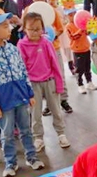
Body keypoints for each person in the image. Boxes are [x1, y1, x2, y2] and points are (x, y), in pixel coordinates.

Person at [0, 10, 45, 177]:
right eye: (5, 26)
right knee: (7, 134)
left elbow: (22, 71)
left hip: (21, 96)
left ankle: (32, 157)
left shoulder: (13, 49)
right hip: (3, 100)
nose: (9, 29)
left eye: (9, 25)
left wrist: (29, 93)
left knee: (26, 129)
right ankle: (10, 162)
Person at [18, 12, 71, 152]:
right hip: (33, 84)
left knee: (56, 110)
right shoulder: (22, 45)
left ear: (43, 28)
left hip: (49, 81)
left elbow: (55, 65)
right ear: (24, 29)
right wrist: (25, 90)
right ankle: (38, 138)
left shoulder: (46, 43)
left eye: (38, 29)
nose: (35, 32)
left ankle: (61, 134)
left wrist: (59, 85)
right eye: (31, 29)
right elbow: (21, 69)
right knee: (35, 113)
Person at [24, 0, 73, 114]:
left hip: (53, 48)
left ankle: (63, 100)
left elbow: (60, 28)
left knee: (59, 73)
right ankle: (49, 104)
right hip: (37, 51)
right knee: (43, 77)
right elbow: (24, 29)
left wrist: (51, 36)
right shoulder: (28, 10)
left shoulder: (51, 10)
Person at [63, 0, 96, 94]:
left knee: (87, 67)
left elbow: (87, 33)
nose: (73, 16)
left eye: (74, 14)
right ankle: (80, 84)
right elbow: (73, 37)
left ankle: (89, 82)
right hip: (77, 51)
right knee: (79, 69)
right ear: (66, 16)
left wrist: (90, 27)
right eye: (70, 15)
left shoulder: (81, 24)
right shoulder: (68, 27)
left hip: (86, 48)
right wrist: (81, 29)